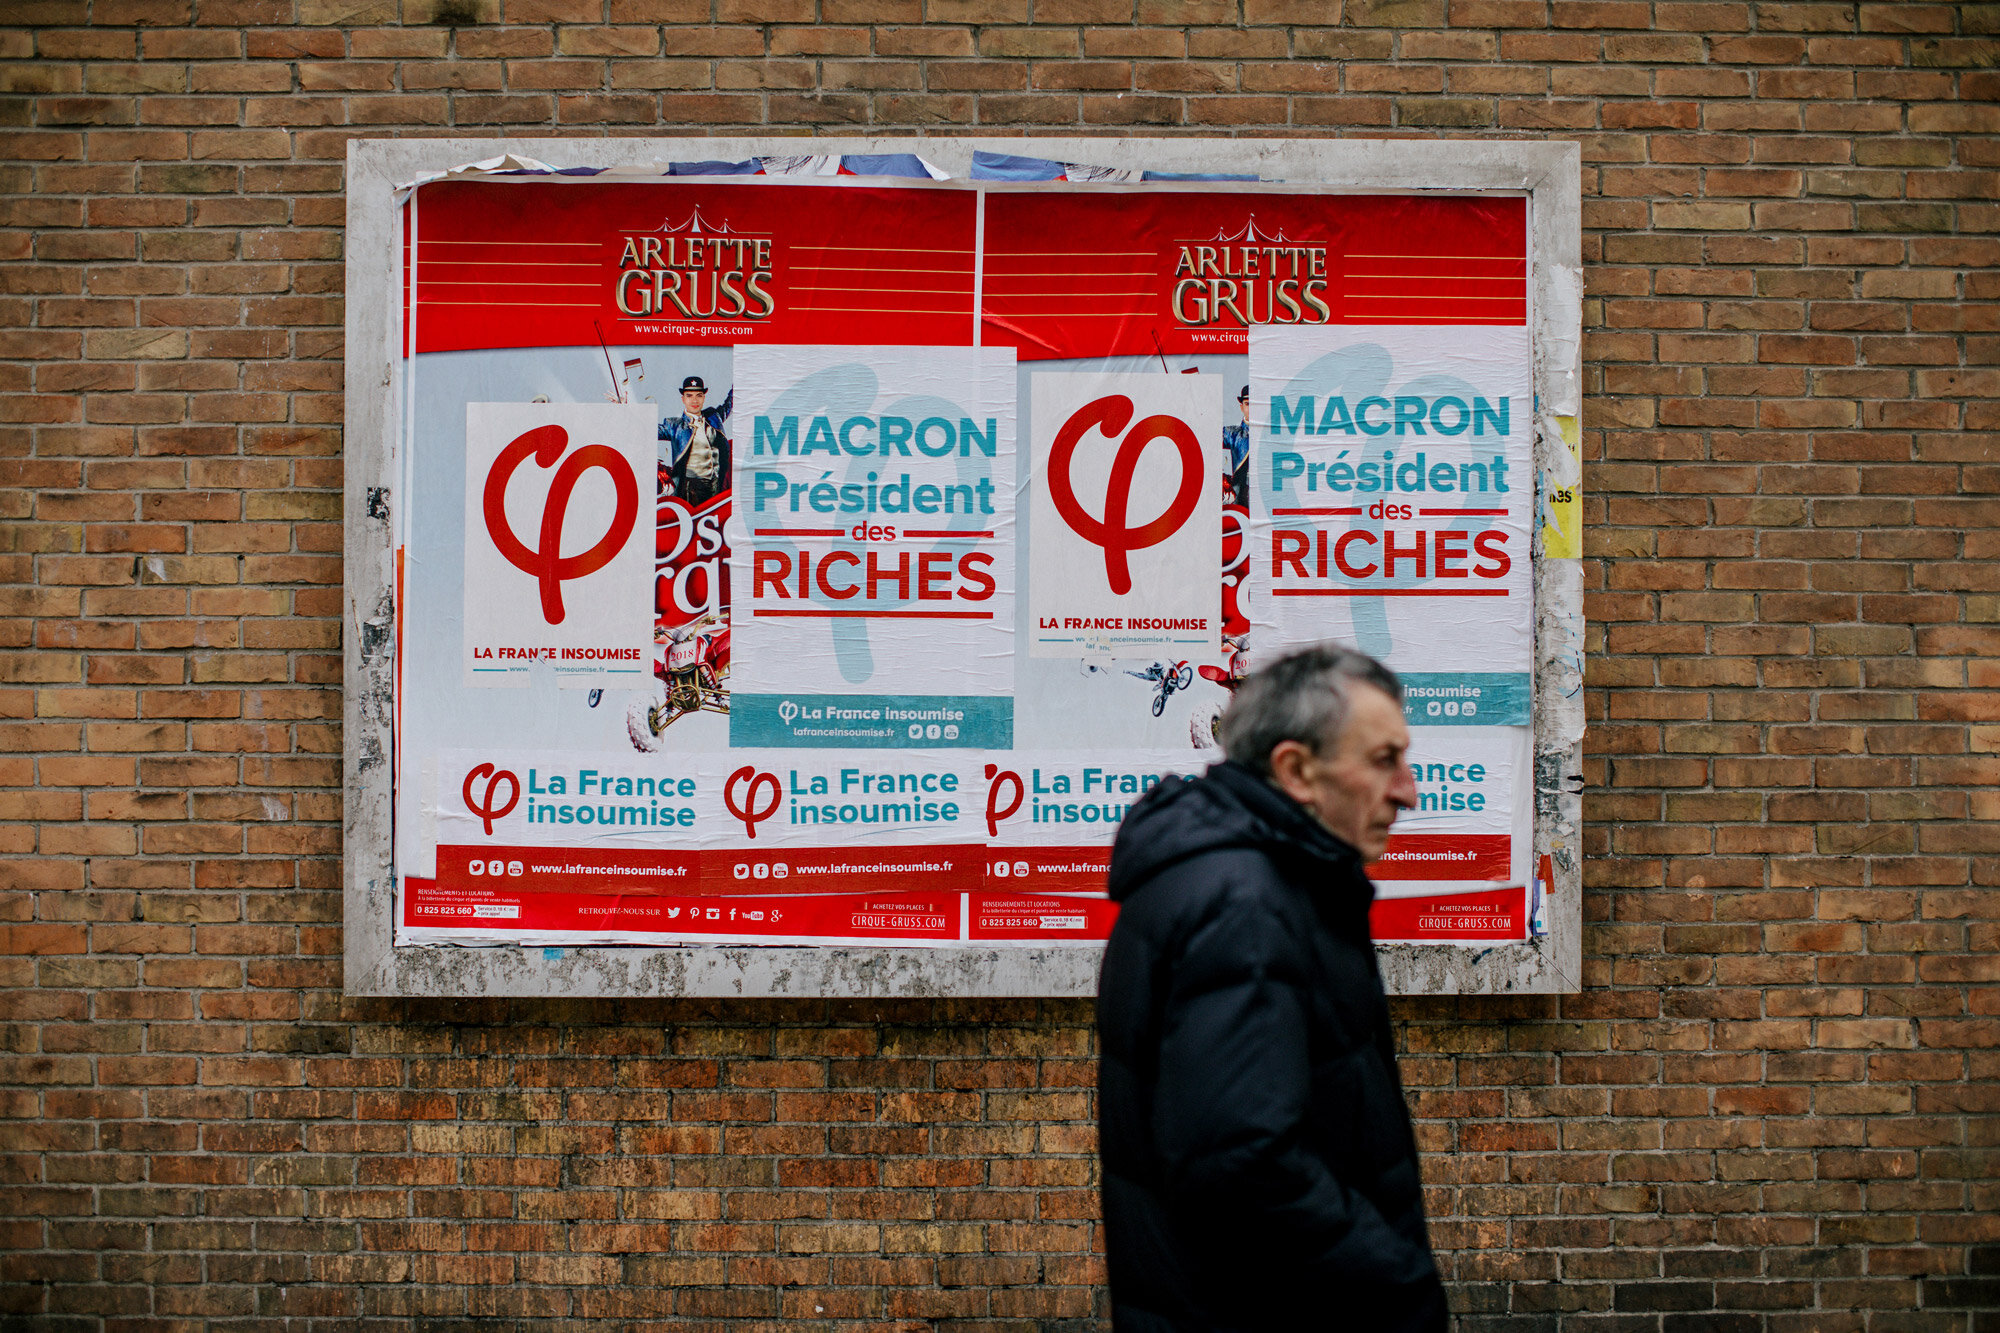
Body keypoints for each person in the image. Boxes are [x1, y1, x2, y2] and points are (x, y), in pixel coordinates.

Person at [1096, 643, 1445, 1333]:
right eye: (1383, 760)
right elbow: (1240, 1163)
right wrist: (1396, 1281)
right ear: (1296, 770)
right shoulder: (1245, 907)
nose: (1408, 790)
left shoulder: (1239, 878)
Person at [660, 375, 733, 506]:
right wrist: (626, 411)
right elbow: (647, 429)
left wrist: (740, 383)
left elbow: (730, 404)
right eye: (689, 396)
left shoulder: (713, 416)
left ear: (703, 397)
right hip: (690, 488)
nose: (694, 400)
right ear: (683, 399)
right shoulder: (674, 425)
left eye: (699, 395)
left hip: (715, 483)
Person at [1221, 383, 1250, 507]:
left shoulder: (1272, 435)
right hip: (1240, 497)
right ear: (1242, 407)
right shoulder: (1230, 433)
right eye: (1248, 404)